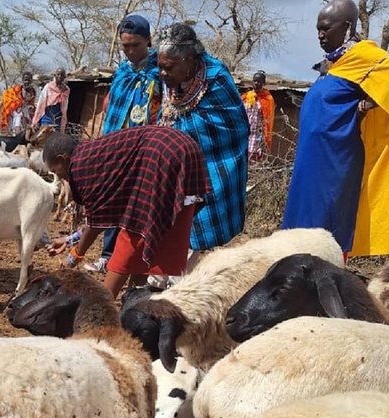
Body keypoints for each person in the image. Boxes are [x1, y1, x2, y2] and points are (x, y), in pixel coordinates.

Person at [283, 0, 389, 259]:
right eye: (318, 29)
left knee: (327, 225)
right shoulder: (336, 62)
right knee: (301, 225)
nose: (320, 35)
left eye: (326, 28)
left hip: (337, 160)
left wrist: (364, 106)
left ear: (347, 26)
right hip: (311, 156)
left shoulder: (364, 57)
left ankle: (328, 277)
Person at [43, 126, 210, 298]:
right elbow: (102, 217)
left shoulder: (80, 168)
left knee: (133, 238)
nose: (60, 177)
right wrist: (71, 239)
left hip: (162, 155)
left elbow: (95, 224)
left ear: (63, 159)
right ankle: (136, 300)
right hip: (182, 150)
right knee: (147, 240)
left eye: (56, 171)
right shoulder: (89, 155)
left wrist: (74, 257)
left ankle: (101, 309)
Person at [157, 23, 249, 269]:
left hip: (210, 164)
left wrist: (185, 143)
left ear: (188, 61)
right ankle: (160, 276)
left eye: (168, 68)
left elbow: (235, 128)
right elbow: (166, 114)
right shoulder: (168, 81)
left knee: (192, 228)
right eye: (160, 68)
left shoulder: (216, 78)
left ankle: (181, 278)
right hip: (173, 164)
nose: (163, 74)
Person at [86, 13, 163, 274]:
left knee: (135, 208)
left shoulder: (160, 73)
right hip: (115, 149)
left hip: (143, 152)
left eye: (135, 45)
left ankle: (133, 261)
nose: (130, 51)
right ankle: (107, 256)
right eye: (125, 46)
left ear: (148, 41)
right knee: (111, 202)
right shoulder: (121, 72)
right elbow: (111, 113)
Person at [241, 70, 275, 162]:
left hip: (257, 137)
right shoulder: (245, 97)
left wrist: (264, 140)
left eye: (259, 81)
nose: (256, 83)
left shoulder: (267, 99)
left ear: (263, 83)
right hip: (243, 135)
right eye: (254, 81)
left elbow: (268, 121)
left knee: (254, 162)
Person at [32, 68, 70, 133]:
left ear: (64, 77)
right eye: (58, 74)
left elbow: (65, 106)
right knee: (44, 136)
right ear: (55, 75)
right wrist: (36, 120)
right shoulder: (49, 87)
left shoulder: (66, 90)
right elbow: (41, 103)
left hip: (58, 117)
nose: (60, 77)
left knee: (56, 138)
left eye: (62, 75)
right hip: (47, 116)